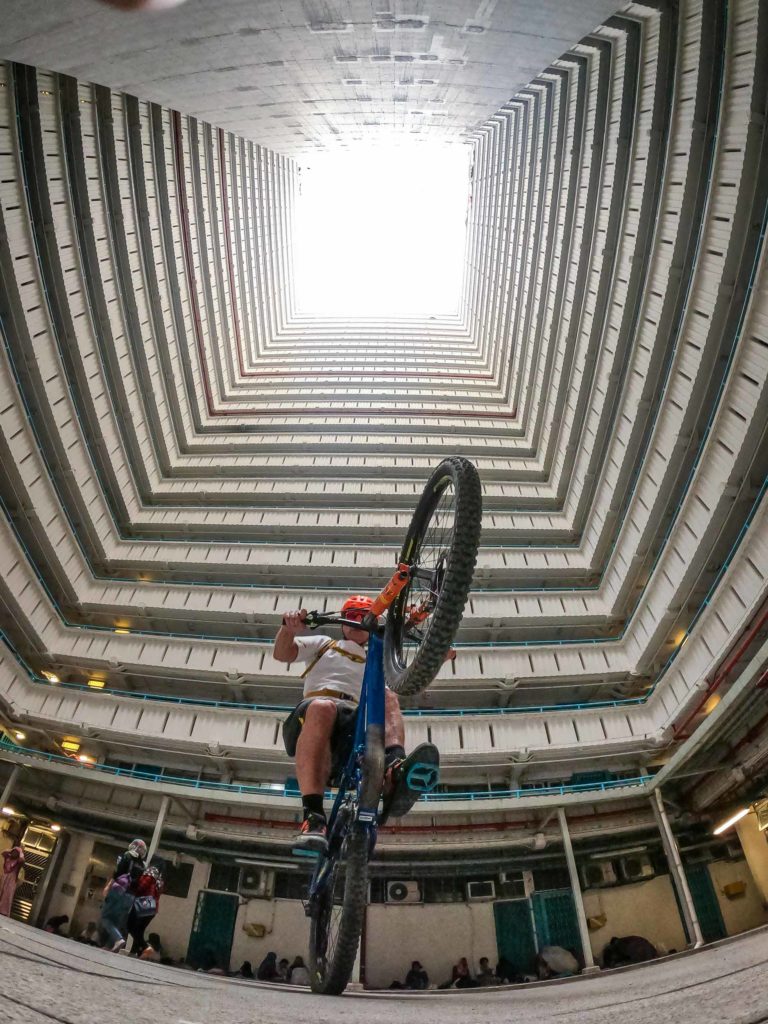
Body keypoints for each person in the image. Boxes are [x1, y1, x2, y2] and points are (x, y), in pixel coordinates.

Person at [276, 598, 440, 851]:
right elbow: (283, 653)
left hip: (354, 723)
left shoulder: (377, 660)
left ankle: (394, 769)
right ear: (342, 622)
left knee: (388, 695)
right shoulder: (324, 644)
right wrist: (288, 628)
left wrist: (437, 653)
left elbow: (412, 678)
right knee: (323, 707)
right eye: (351, 615)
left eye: (363, 616)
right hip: (313, 714)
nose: (356, 622)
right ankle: (313, 816)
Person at [127, 865, 163, 956]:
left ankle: (145, 947)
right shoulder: (159, 879)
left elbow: (140, 888)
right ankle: (134, 952)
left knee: (130, 926)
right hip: (153, 907)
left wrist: (131, 886)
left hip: (144, 903)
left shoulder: (148, 875)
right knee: (139, 930)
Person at [99, 874, 133, 952]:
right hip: (130, 896)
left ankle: (118, 939)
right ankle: (110, 945)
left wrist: (108, 886)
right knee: (116, 921)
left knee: (105, 917)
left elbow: (118, 872)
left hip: (119, 890)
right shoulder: (144, 868)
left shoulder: (126, 867)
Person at [0, 843, 24, 917]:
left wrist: (20, 851)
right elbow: (3, 852)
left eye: (16, 852)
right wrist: (11, 850)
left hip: (11, 880)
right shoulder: (8, 858)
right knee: (1, 892)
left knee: (7, 894)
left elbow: (22, 860)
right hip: (4, 878)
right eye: (13, 851)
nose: (14, 853)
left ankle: (4, 911)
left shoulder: (18, 862)